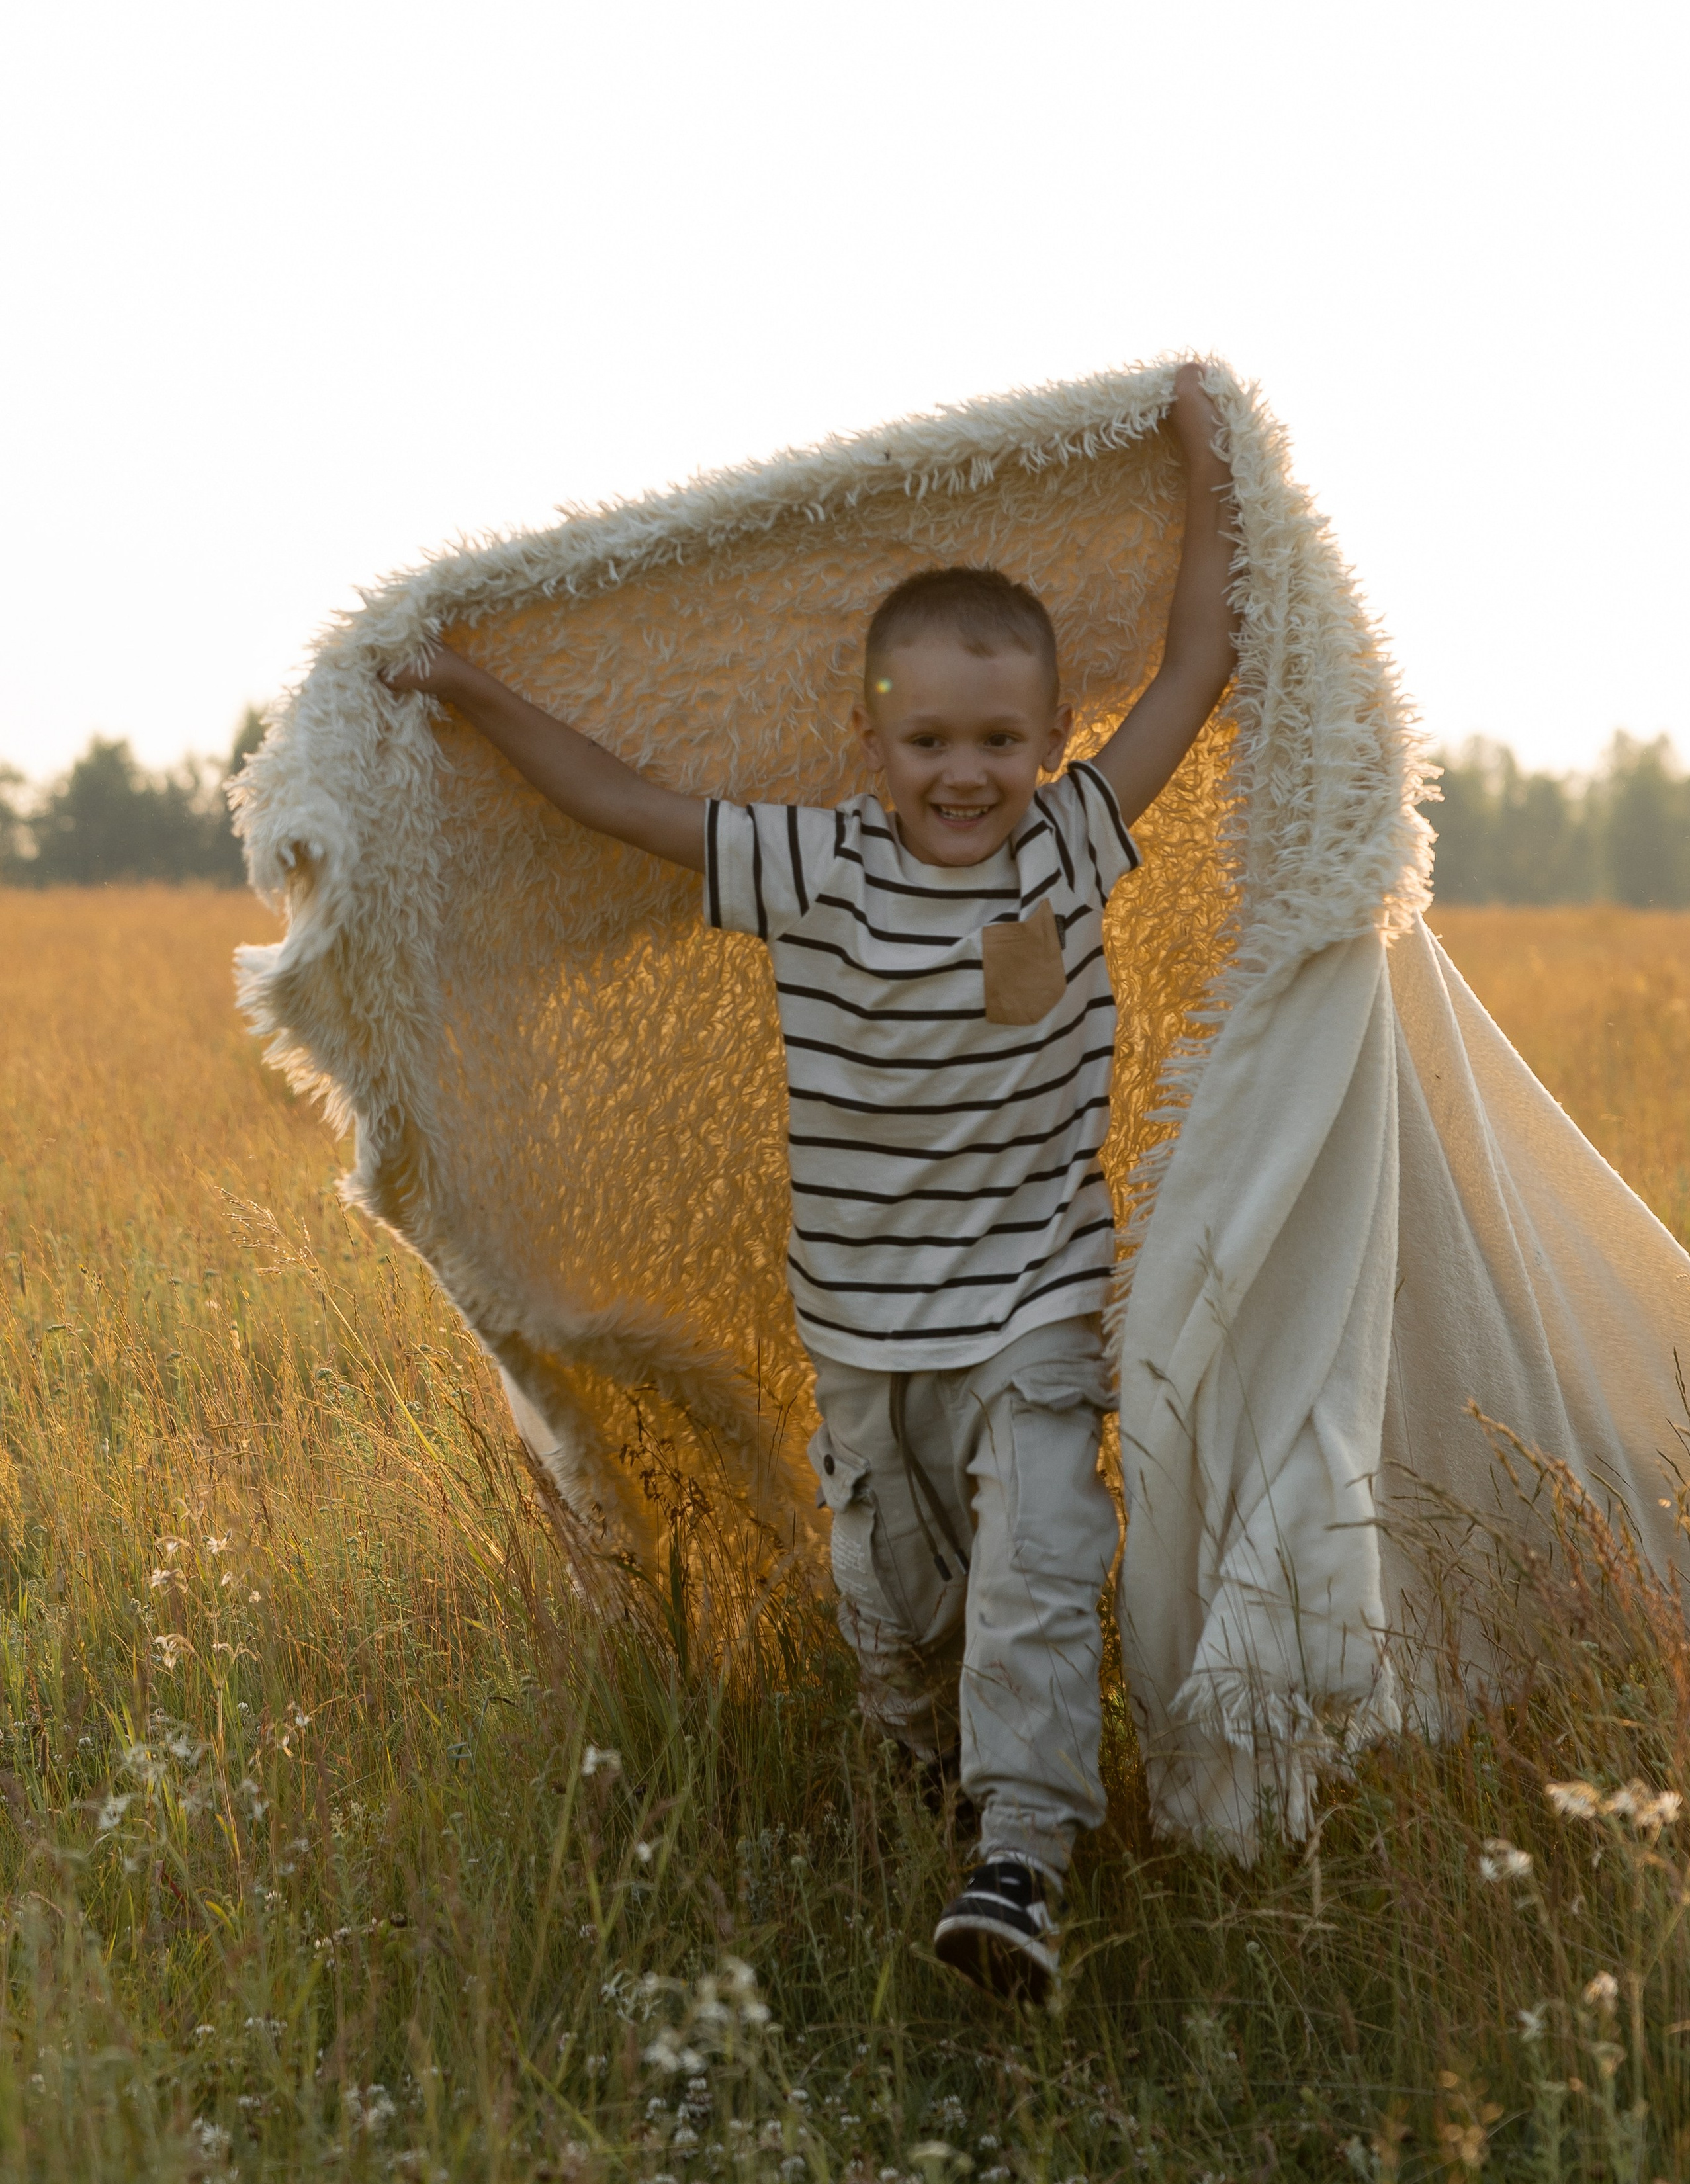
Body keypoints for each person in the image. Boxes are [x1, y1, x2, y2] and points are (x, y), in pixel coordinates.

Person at [386, 364, 1237, 2002]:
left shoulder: (1068, 843)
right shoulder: (813, 863)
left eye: (999, 738)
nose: (963, 772)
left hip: (1036, 1302)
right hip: (860, 1325)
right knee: (896, 1612)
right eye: (926, 739)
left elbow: (1195, 663)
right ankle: (926, 1769)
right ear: (868, 740)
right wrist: (467, 689)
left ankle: (1021, 1859)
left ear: (1050, 739)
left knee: (1043, 1554)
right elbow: (622, 801)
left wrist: (1201, 455)